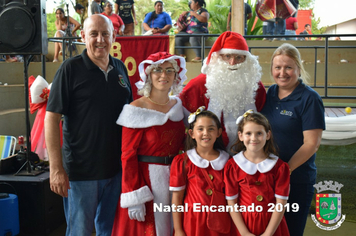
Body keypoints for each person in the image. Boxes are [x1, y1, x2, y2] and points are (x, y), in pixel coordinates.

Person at [45, 14, 132, 236]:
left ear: (114, 36)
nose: (100, 39)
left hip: (115, 172)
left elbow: (131, 116)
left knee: (110, 231)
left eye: (105, 33)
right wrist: (55, 169)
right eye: (94, 34)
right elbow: (51, 118)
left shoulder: (121, 69)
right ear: (83, 36)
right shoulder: (69, 69)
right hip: (81, 175)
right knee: (79, 232)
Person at [111, 52, 187, 236]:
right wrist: (134, 196)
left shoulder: (178, 107)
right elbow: (127, 155)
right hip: (146, 180)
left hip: (176, 179)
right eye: (158, 70)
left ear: (176, 76)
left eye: (170, 70)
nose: (164, 75)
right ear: (149, 75)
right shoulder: (136, 109)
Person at [261, 43, 325, 236]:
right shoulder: (270, 93)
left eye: (288, 67)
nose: (282, 73)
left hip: (296, 180)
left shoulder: (309, 98)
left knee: (290, 231)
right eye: (277, 67)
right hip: (267, 178)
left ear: (298, 68)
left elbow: (311, 144)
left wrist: (284, 171)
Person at [180, 31, 266, 152]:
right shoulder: (200, 84)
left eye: (239, 57)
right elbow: (184, 116)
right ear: (218, 57)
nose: (232, 63)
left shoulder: (255, 86)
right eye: (227, 56)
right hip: (209, 153)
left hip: (246, 153)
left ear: (246, 59)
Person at [170, 107, 234, 236]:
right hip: (192, 224)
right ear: (192, 133)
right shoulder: (182, 161)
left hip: (221, 223)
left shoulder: (229, 162)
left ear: (219, 132)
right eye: (200, 129)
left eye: (211, 129)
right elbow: (177, 198)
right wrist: (178, 230)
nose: (206, 133)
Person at [225, 110, 290, 236]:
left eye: (259, 133)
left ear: (268, 135)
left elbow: (281, 203)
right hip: (243, 224)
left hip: (272, 225)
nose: (253, 138)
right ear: (240, 135)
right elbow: (232, 203)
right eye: (248, 133)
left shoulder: (280, 167)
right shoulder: (232, 166)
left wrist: (268, 233)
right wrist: (244, 233)